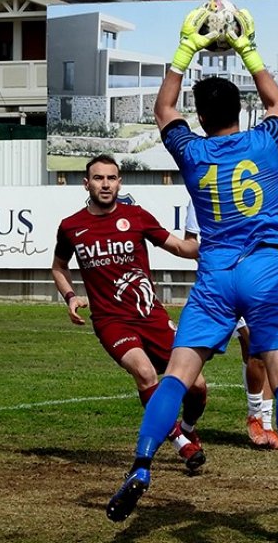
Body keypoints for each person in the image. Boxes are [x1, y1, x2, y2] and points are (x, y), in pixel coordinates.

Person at [106, 4, 278, 538]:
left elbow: (162, 109)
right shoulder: (267, 139)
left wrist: (185, 47)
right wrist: (247, 48)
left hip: (216, 273)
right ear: (241, 112)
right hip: (267, 271)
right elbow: (277, 101)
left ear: (201, 117)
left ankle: (142, 464)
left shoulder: (193, 151)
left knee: (176, 377)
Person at [52, 154, 208, 471]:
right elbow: (58, 266)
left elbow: (181, 248)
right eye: (98, 178)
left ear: (119, 182)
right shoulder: (71, 227)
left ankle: (189, 428)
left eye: (111, 178)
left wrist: (219, 245)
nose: (105, 184)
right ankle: (182, 444)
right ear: (86, 183)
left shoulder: (137, 217)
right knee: (146, 374)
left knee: (198, 385)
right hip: (111, 321)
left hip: (150, 315)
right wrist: (70, 295)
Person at [183, 182, 278, 449]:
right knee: (248, 346)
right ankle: (258, 418)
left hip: (272, 283)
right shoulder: (208, 190)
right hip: (225, 284)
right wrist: (220, 260)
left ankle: (276, 422)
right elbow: (190, 242)